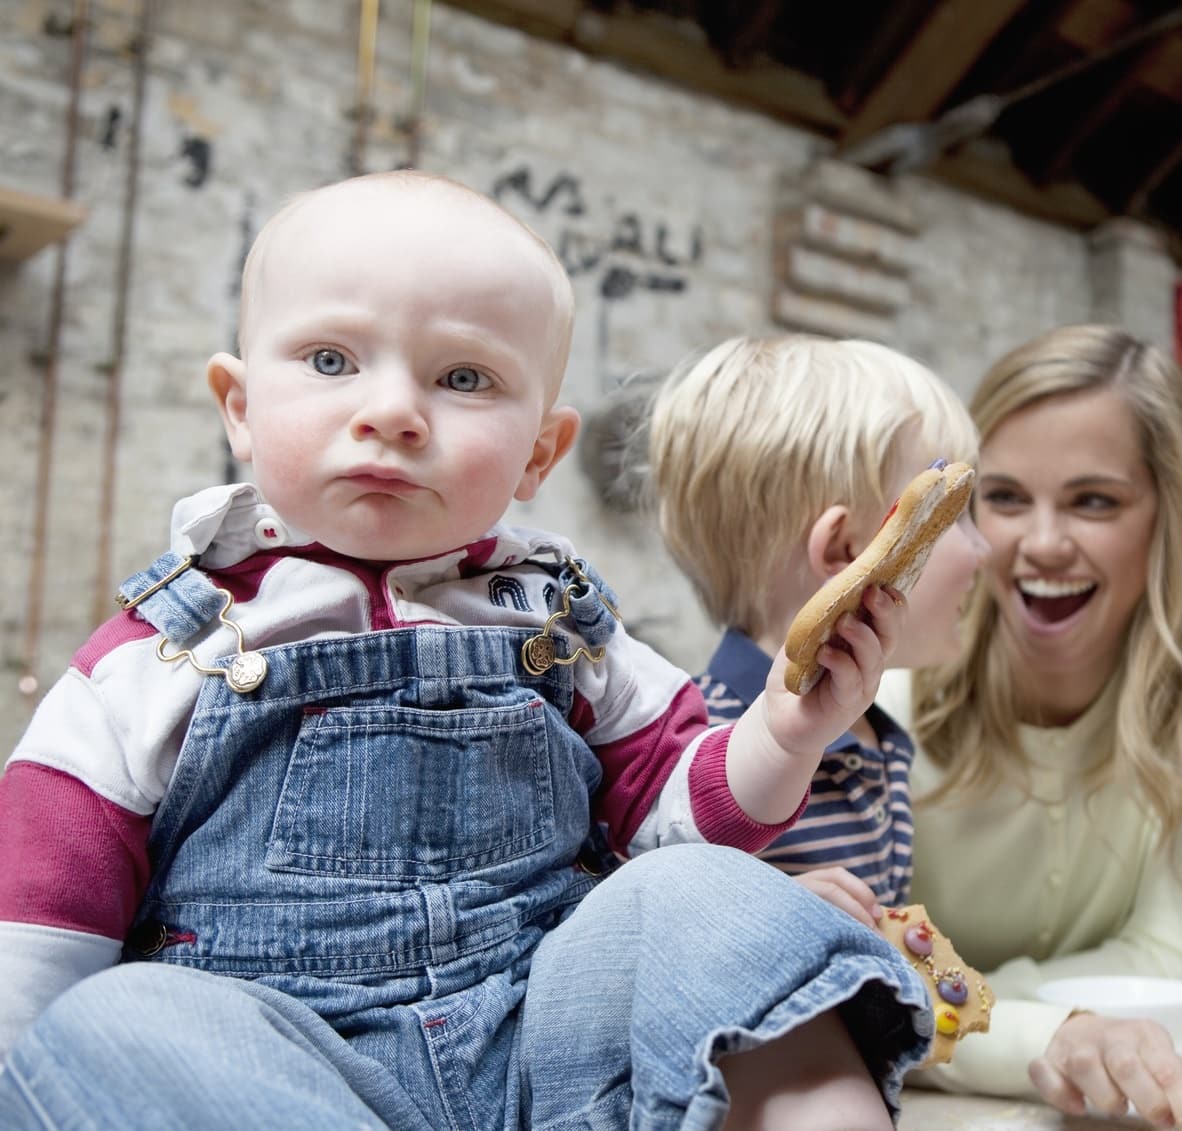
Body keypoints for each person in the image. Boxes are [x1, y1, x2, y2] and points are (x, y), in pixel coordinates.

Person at [0, 171, 937, 1131]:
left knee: (711, 898)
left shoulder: (558, 621)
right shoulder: (159, 649)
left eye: (462, 379)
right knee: (110, 1024)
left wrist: (785, 731)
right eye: (331, 360)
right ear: (238, 406)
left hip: (545, 1046)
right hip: (286, 1061)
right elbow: (42, 904)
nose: (393, 411)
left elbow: (674, 810)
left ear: (540, 451)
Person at [887, 325, 1182, 1129]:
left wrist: (966, 996)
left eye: (1092, 501)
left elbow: (1172, 958)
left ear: (1167, 514)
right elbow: (847, 979)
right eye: (1001, 497)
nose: (1040, 543)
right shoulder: (888, 678)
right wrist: (1055, 1031)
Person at [646, 334, 986, 923]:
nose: (984, 550)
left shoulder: (875, 732)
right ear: (852, 551)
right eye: (956, 518)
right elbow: (638, 919)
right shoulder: (695, 743)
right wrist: (776, 919)